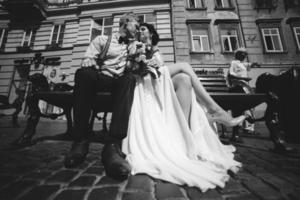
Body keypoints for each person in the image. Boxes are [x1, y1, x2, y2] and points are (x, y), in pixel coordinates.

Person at [122, 23, 242, 192]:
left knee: (185, 79)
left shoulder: (155, 48)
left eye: (143, 28)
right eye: (138, 29)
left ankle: (183, 133)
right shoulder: (134, 46)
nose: (140, 30)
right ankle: (215, 109)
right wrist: (139, 59)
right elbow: (133, 68)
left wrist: (149, 60)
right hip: (144, 81)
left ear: (150, 32)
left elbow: (157, 67)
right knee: (184, 66)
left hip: (156, 79)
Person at [64, 13, 138, 181]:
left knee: (129, 79)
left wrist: (136, 53)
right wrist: (88, 62)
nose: (138, 27)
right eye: (136, 24)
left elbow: (137, 65)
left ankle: (113, 144)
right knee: (83, 74)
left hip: (119, 82)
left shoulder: (134, 45)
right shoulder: (102, 40)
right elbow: (88, 57)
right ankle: (81, 140)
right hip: (102, 76)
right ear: (125, 23)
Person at [227, 48, 259, 141]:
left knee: (250, 107)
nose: (245, 56)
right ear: (237, 55)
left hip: (245, 88)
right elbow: (231, 75)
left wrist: (254, 64)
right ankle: (238, 131)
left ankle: (248, 128)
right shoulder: (234, 63)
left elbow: (248, 65)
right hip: (238, 88)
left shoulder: (242, 64)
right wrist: (244, 78)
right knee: (240, 108)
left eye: (246, 54)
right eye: (243, 54)